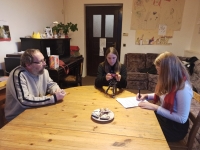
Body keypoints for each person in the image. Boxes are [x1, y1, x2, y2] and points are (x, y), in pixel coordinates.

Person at [136, 51, 193, 142]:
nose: (158, 73)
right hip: (166, 118)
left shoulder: (184, 89)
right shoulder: (170, 80)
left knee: (144, 129)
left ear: (168, 71)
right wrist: (146, 96)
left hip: (175, 128)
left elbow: (182, 119)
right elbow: (162, 94)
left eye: (159, 70)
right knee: (142, 117)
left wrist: (156, 107)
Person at [5, 49, 66, 121]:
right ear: (28, 64)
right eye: (40, 61)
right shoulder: (18, 75)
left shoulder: (43, 71)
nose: (45, 64)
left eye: (44, 60)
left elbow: (51, 85)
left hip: (35, 110)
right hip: (18, 117)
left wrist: (57, 90)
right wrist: (53, 98)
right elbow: (24, 101)